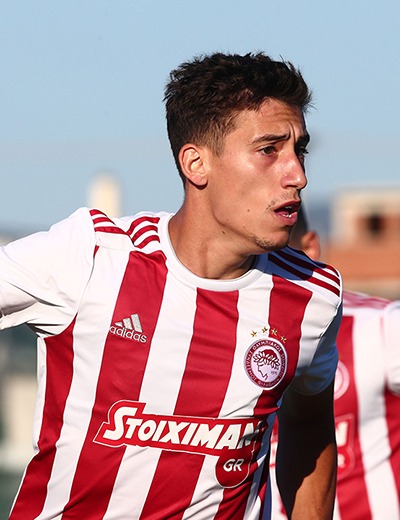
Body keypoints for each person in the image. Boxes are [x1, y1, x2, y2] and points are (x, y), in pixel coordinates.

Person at [0, 52, 342, 520]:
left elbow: (308, 423)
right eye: (269, 150)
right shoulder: (93, 256)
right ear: (196, 164)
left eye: (298, 150)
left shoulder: (313, 295)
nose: (298, 175)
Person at [270, 208, 400, 519]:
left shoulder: (381, 326)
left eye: (275, 256)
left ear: (310, 248)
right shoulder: (218, 336)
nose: (263, 270)